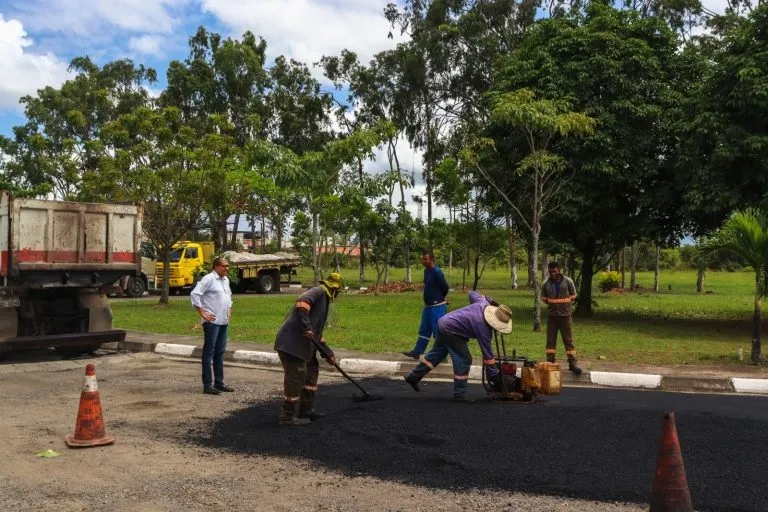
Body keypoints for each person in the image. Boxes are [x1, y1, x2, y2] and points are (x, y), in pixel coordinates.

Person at [403, 291, 512, 402]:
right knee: (464, 359)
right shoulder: (483, 328)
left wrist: (489, 299)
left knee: (436, 355)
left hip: (443, 323)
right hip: (451, 331)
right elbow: (487, 354)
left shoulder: (482, 302)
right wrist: (495, 374)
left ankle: (413, 377)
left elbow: (472, 294)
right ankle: (459, 394)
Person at [274, 273, 344, 426]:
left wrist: (327, 353)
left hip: (305, 346)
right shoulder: (318, 291)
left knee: (311, 373)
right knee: (296, 377)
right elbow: (301, 303)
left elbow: (317, 334)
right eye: (338, 291)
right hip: (292, 344)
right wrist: (306, 327)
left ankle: (306, 410)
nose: (338, 294)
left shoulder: (324, 302)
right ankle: (287, 417)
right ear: (334, 288)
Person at [190, 257, 234, 395]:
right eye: (224, 266)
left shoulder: (225, 280)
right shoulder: (209, 279)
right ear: (216, 266)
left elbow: (229, 297)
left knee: (220, 352)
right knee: (209, 352)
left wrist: (229, 310)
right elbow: (195, 294)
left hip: (223, 321)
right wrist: (202, 312)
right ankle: (207, 385)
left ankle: (219, 383)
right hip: (212, 322)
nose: (227, 268)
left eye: (228, 266)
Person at [402, 250, 450, 360]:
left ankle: (442, 356)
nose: (423, 261)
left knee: (437, 331)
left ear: (432, 260)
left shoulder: (437, 272)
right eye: (422, 259)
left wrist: (440, 298)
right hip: (428, 306)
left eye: (425, 259)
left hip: (437, 306)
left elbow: (445, 287)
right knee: (424, 329)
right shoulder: (426, 271)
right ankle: (418, 352)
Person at [541, 261, 582, 375]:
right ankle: (550, 363)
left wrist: (564, 304)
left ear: (559, 270)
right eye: (550, 272)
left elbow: (573, 295)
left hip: (565, 316)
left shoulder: (568, 281)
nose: (552, 274)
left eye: (554, 271)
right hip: (552, 317)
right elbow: (543, 298)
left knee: (568, 341)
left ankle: (572, 364)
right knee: (550, 342)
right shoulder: (546, 284)